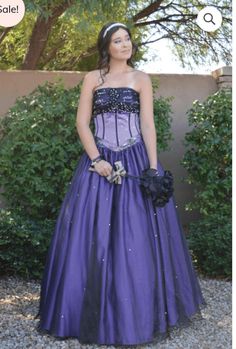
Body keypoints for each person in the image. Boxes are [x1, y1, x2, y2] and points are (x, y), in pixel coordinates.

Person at [36, 22, 207, 346]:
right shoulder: (92, 79)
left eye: (127, 38)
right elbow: (81, 123)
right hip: (97, 164)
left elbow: (147, 123)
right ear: (106, 46)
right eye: (118, 40)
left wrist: (153, 167)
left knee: (137, 234)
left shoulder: (141, 79)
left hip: (135, 161)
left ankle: (138, 315)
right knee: (90, 235)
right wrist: (97, 160)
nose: (125, 44)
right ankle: (81, 315)